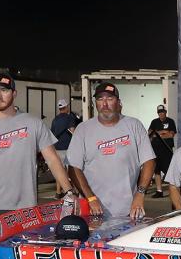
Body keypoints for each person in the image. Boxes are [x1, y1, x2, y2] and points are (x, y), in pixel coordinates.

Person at [0, 73, 73, 259]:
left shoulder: (33, 123)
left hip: (26, 209)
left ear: (14, 93)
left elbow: (53, 160)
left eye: (4, 90)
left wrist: (69, 192)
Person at [67, 83, 156, 219]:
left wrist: (140, 193)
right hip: (93, 212)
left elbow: (149, 161)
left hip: (129, 211)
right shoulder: (83, 130)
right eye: (100, 99)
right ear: (95, 103)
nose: (104, 104)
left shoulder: (134, 125)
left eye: (109, 99)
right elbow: (73, 168)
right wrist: (90, 198)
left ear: (118, 102)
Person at [148, 105, 177, 198]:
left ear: (165, 112)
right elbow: (150, 134)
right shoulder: (154, 122)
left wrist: (158, 133)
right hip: (155, 150)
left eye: (163, 112)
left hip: (167, 150)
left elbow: (171, 134)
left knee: (169, 171)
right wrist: (164, 132)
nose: (161, 114)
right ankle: (159, 191)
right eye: (159, 112)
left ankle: (174, 190)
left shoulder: (170, 121)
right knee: (156, 171)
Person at [51, 98, 78, 197]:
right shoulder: (69, 118)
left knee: (59, 170)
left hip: (57, 148)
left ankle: (58, 192)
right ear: (66, 107)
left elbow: (52, 134)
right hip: (68, 148)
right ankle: (72, 190)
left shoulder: (55, 119)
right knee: (71, 171)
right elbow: (73, 131)